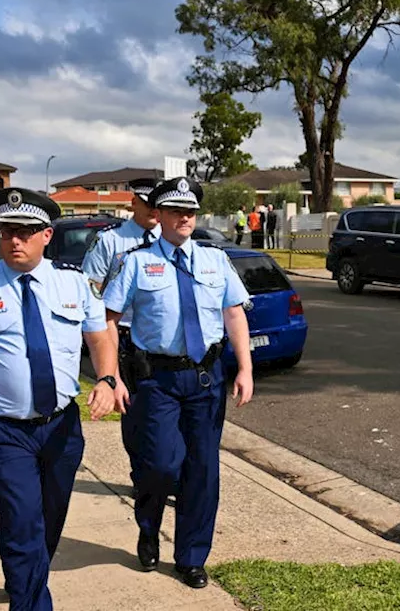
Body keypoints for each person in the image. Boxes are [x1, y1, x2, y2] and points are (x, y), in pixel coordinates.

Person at [0, 187, 118, 610]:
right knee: (21, 520)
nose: (15, 239)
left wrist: (106, 378)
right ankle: (32, 602)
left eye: (26, 231)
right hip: (1, 429)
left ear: (47, 235)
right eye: (7, 230)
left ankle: (25, 580)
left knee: (48, 521)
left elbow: (100, 334)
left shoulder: (73, 282)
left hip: (61, 427)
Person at [102, 176, 255, 589]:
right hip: (157, 380)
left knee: (202, 471)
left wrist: (245, 367)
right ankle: (149, 526)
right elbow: (109, 320)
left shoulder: (214, 261)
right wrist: (111, 375)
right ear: (159, 216)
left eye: (190, 211)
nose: (185, 217)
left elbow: (235, 314)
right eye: (176, 211)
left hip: (205, 378)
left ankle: (191, 557)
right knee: (160, 466)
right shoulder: (134, 262)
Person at [79, 177, 166, 505]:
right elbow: (91, 291)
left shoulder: (169, 240)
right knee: (136, 416)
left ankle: (168, 475)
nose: (156, 211)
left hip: (161, 339)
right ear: (134, 203)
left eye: (160, 204)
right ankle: (142, 477)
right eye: (149, 204)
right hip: (125, 338)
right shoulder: (111, 241)